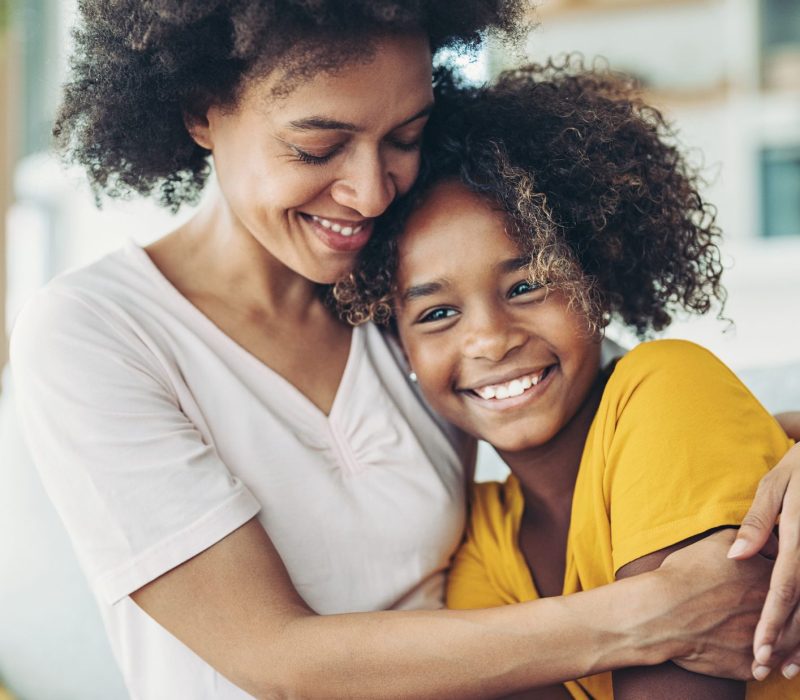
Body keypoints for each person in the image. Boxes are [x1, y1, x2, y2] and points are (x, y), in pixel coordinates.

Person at [8, 2, 800, 697]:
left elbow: (633, 410)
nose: (371, 190)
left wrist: (786, 456)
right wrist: (649, 618)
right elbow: (275, 660)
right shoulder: (95, 332)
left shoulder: (401, 291)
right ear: (201, 110)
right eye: (319, 148)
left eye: (404, 137)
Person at [338, 59, 799, 698]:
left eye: (527, 286)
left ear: (597, 285)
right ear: (399, 343)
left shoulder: (667, 389)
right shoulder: (484, 542)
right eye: (437, 312)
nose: (490, 339)